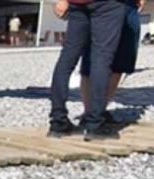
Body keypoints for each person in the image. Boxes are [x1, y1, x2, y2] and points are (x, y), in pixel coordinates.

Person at [48, 0, 128, 139]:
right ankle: (95, 123)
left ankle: (58, 121)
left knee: (67, 58)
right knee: (102, 58)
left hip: (77, 2)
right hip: (109, 5)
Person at [79, 0, 144, 124]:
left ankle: (100, 109)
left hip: (130, 5)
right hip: (103, 5)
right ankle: (89, 112)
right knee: (92, 59)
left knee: (122, 60)